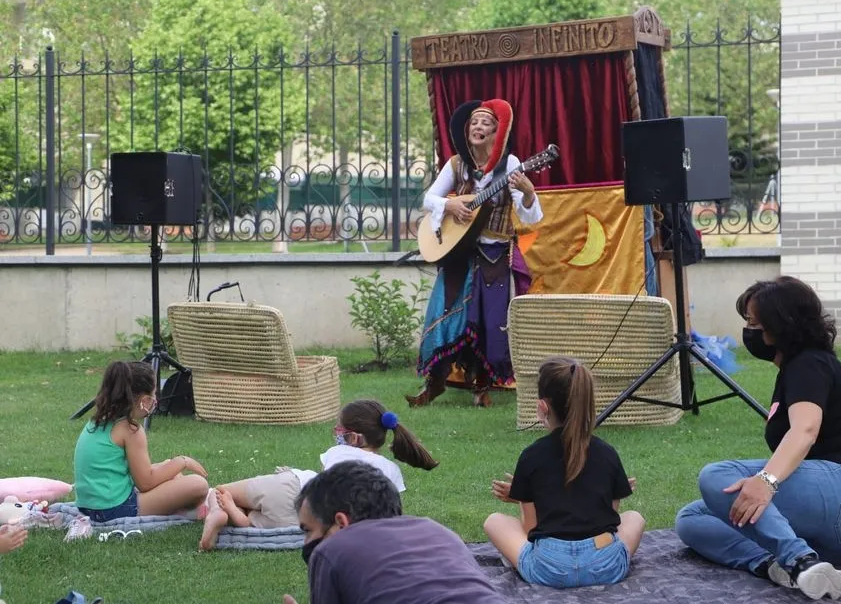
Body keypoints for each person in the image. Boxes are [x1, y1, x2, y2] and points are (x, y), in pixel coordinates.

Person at [674, 276, 841, 601]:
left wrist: (766, 481)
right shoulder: (795, 369)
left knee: (716, 475)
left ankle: (797, 558)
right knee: (692, 517)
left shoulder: (809, 363)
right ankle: (778, 566)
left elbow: (805, 430)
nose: (749, 331)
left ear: (782, 325)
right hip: (837, 537)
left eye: (754, 323)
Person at [407, 98, 543, 408]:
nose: (478, 127)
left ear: (498, 133)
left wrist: (529, 192)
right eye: (474, 123)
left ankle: (482, 387)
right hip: (459, 252)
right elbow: (428, 199)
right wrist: (450, 204)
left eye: (486, 123)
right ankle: (434, 383)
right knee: (445, 317)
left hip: (495, 253)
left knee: (489, 321)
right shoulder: (456, 164)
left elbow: (534, 219)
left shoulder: (510, 166)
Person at [483, 357, 645, 589]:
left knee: (494, 521)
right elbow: (610, 522)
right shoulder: (607, 453)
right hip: (605, 567)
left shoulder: (531, 456)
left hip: (549, 569)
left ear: (542, 407)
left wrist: (522, 497)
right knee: (634, 518)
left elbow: (531, 531)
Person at [200, 399, 437, 550]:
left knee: (219, 491)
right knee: (256, 513)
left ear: (353, 438)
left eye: (339, 431)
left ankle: (220, 514)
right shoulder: (391, 471)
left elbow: (321, 489)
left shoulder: (339, 452)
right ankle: (245, 520)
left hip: (295, 488)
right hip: (303, 521)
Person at [282, 460, 504, 604]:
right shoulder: (439, 531)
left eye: (308, 530)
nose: (307, 542)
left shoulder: (331, 550)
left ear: (341, 522)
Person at [73, 361, 210, 522]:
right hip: (114, 510)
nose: (155, 401)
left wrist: (169, 466)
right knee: (198, 485)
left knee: (167, 466)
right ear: (144, 400)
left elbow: (135, 474)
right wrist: (182, 461)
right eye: (154, 396)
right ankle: (184, 510)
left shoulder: (97, 421)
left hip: (88, 507)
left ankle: (177, 502)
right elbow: (146, 483)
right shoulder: (131, 430)